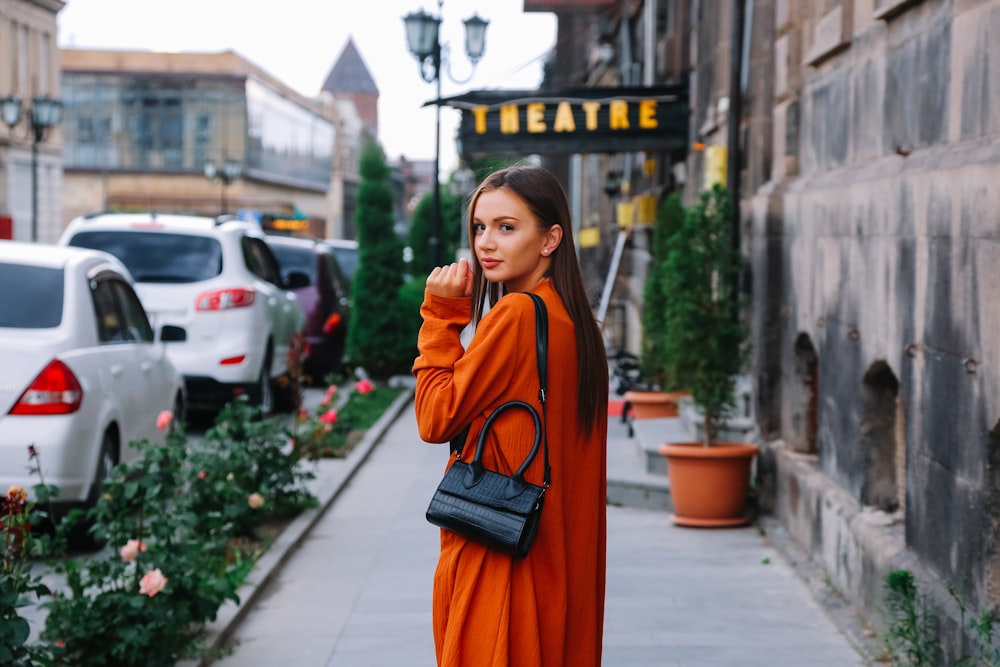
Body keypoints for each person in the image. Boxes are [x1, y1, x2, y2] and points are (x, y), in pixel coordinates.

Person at [412, 166, 609, 666]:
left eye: (506, 227)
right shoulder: (573, 321)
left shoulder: (518, 315)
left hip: (502, 562)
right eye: (479, 227)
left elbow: (435, 419)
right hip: (556, 565)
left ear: (550, 239)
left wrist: (439, 316)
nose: (486, 243)